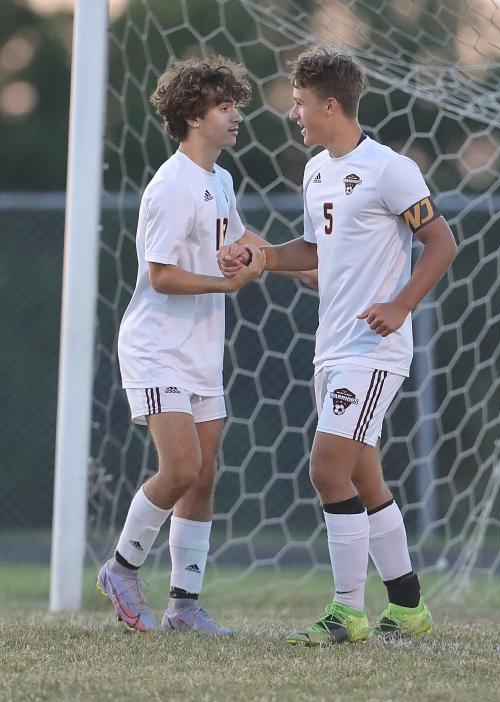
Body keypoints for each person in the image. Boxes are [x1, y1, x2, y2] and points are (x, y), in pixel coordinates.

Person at [219, 46, 458, 645]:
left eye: (300, 104)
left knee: (326, 469)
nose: (294, 114)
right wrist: (264, 258)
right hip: (332, 348)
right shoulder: (315, 170)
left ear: (331, 104)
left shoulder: (390, 169)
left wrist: (400, 305)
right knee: (364, 478)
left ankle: (346, 612)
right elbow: (316, 253)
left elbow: (441, 245)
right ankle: (408, 607)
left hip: (373, 351)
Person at [96, 56, 266, 634]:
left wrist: (300, 265)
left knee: (204, 473)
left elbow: (240, 239)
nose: (235, 115)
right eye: (225, 107)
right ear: (195, 116)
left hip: (200, 349)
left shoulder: (219, 179)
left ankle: (184, 605)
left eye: (234, 105)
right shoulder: (170, 187)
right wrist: (226, 281)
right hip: (156, 347)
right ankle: (121, 569)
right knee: (181, 467)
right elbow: (162, 275)